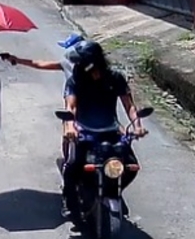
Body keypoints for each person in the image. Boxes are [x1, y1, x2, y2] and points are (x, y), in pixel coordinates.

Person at [60, 40, 148, 223]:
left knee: (130, 167)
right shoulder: (75, 80)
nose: (78, 66)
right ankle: (70, 203)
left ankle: (113, 189)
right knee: (71, 168)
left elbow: (129, 105)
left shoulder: (115, 78)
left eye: (81, 62)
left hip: (112, 131)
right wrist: (70, 127)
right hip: (84, 133)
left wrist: (137, 125)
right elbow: (71, 106)